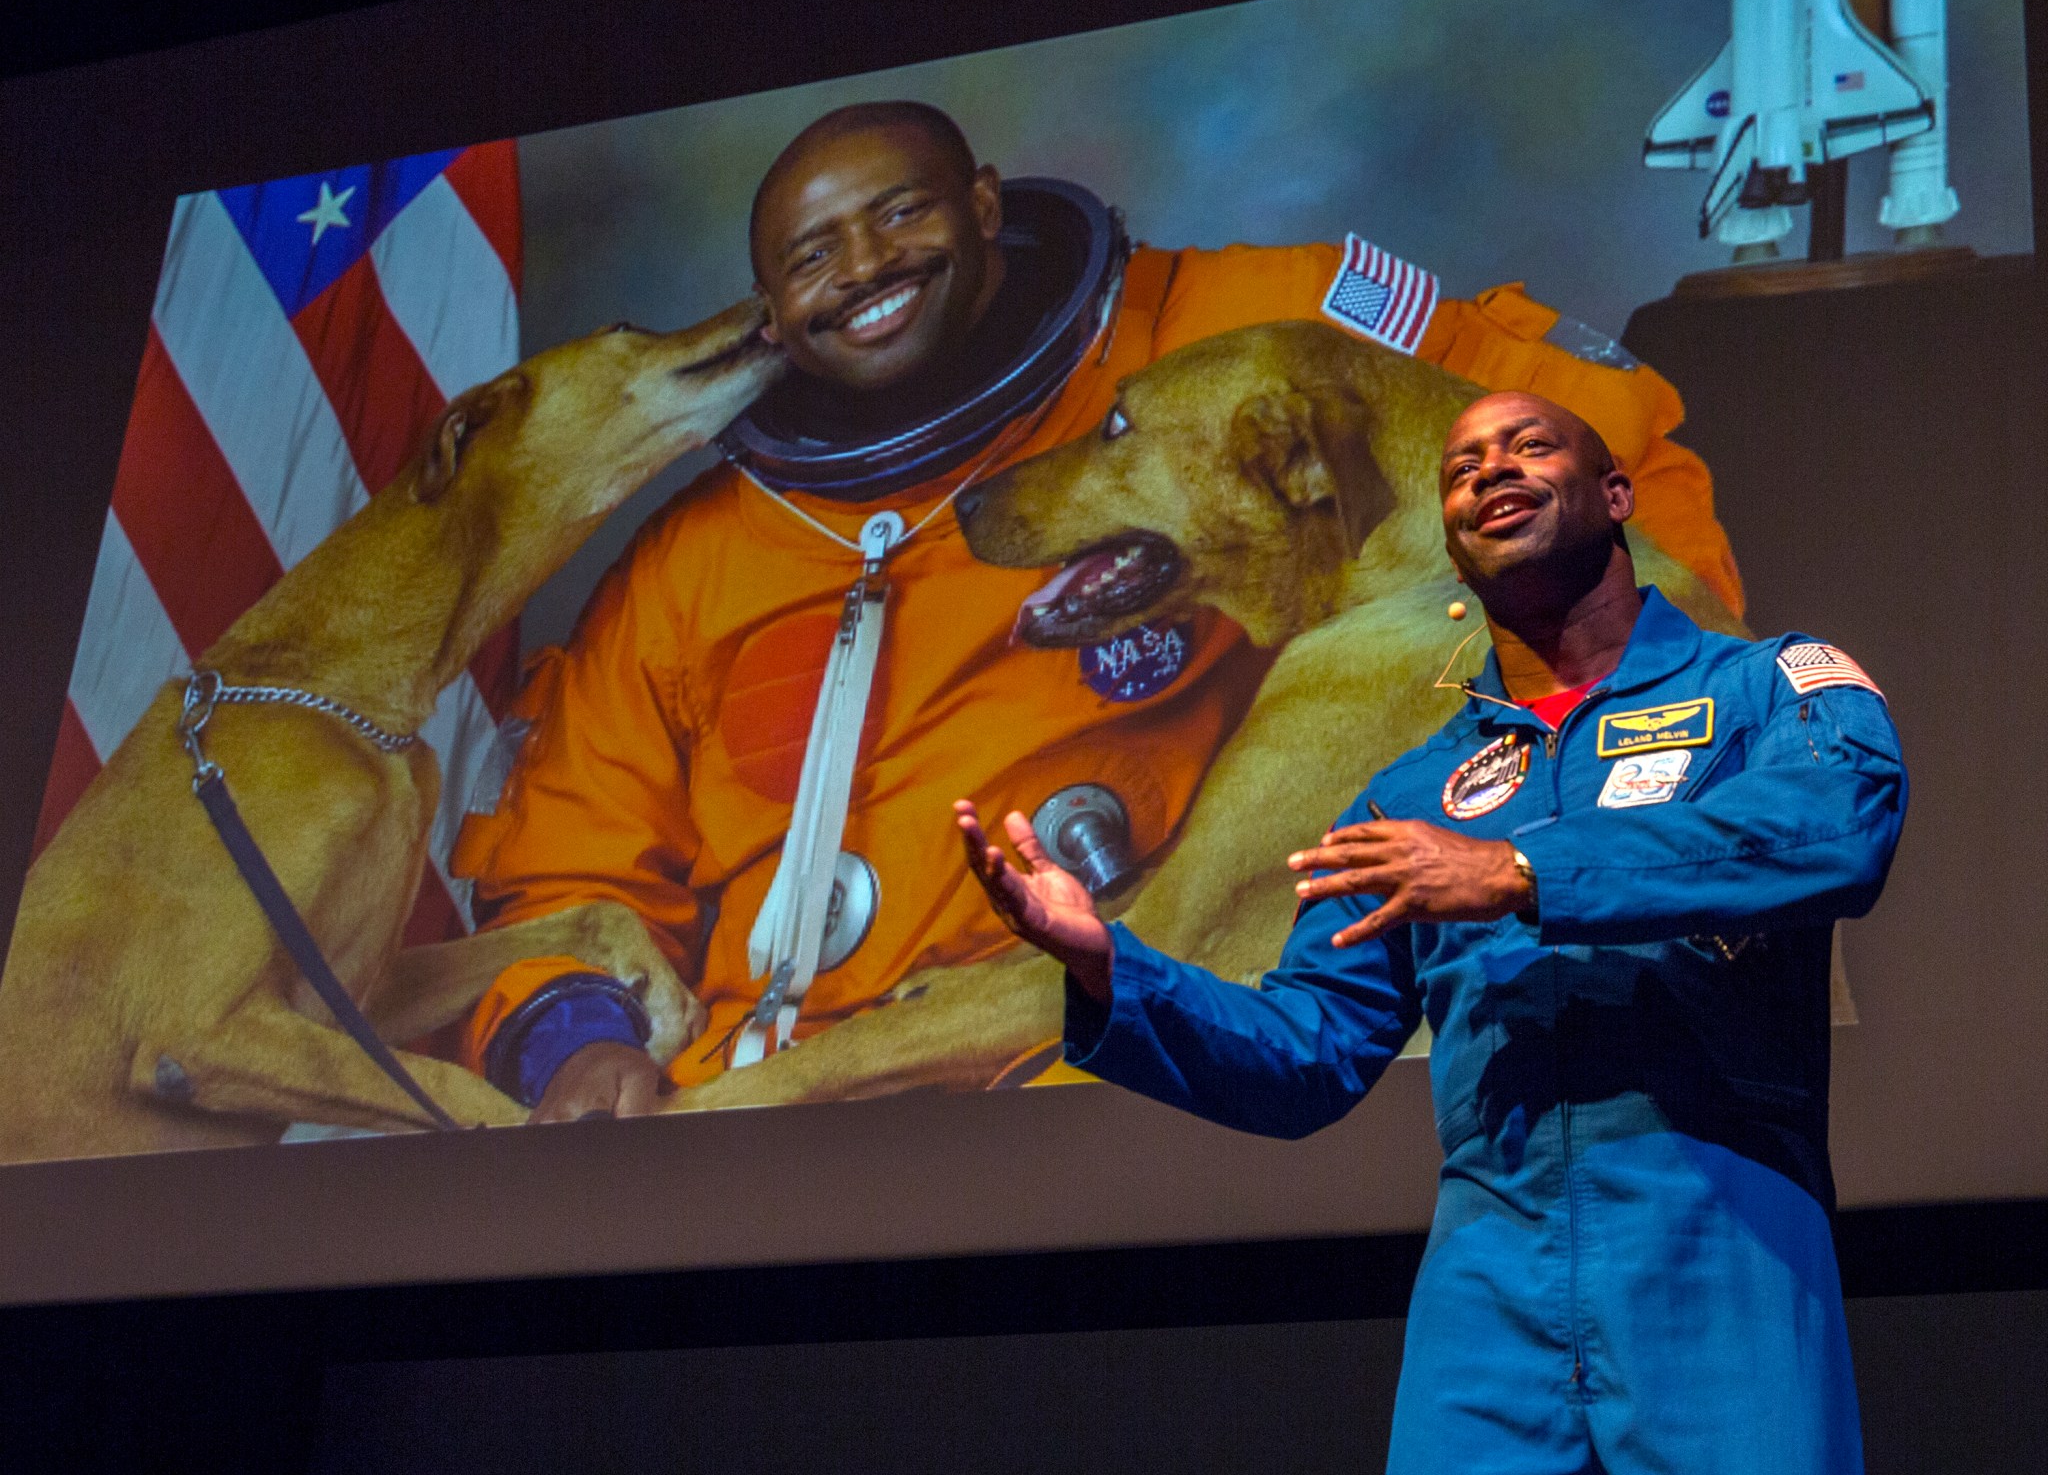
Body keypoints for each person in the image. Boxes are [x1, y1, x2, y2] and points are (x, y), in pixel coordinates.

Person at [455, 99, 1746, 1121]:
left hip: (1076, 1079)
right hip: (759, 1108)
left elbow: (1589, 437)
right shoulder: (693, 563)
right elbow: (564, 864)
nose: (864, 272)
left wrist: (1624, 719)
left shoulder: (1226, 333)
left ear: (982, 205)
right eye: (811, 258)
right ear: (774, 310)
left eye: (900, 215)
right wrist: (575, 1038)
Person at [957, 389, 1906, 1474]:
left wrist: (1517, 871)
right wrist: (1104, 967)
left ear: (1614, 495)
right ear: (1449, 551)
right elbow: (1306, 1050)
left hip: (1716, 1218)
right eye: (1460, 469)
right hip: (1488, 1265)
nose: (1488, 471)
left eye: (1527, 447)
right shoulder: (1410, 795)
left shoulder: (1765, 685)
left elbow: (1838, 825)